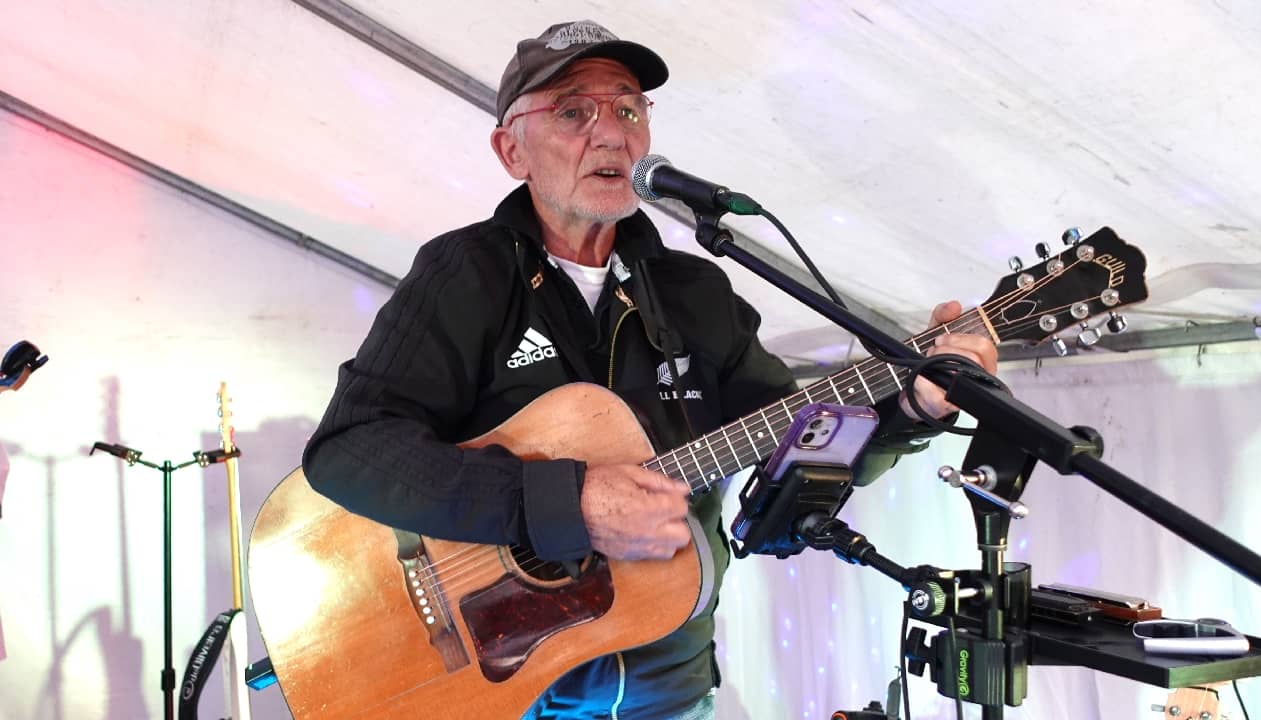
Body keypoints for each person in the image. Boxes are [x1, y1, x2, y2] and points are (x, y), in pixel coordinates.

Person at [302, 19, 998, 720]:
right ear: (511, 150)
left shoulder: (696, 293)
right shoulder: (465, 276)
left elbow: (797, 481)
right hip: (511, 692)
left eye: (628, 108)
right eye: (574, 111)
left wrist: (911, 409)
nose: (611, 133)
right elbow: (350, 451)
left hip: (671, 690)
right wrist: (565, 503)